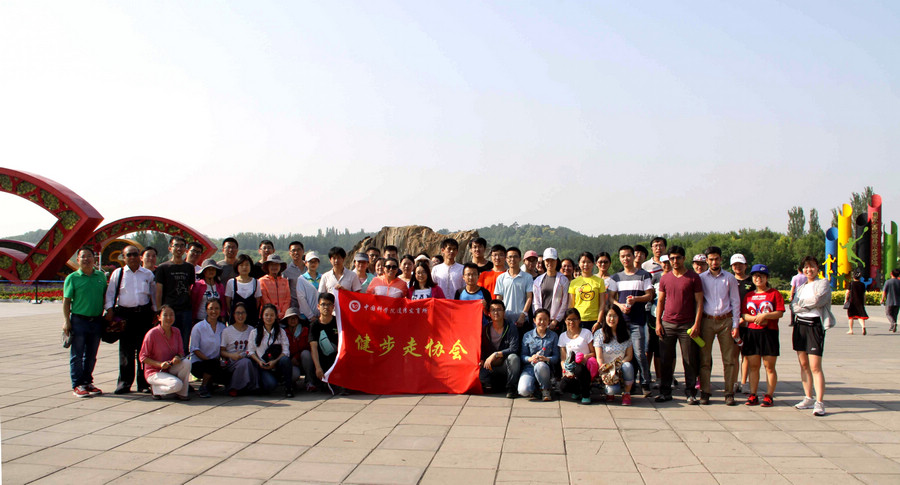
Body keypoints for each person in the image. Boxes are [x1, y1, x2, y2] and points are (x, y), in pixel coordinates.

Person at [655, 246, 703, 403]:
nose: (675, 261)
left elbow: (699, 302)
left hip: (687, 325)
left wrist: (696, 324)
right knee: (665, 360)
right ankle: (665, 392)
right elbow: (660, 301)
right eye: (672, 258)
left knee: (689, 360)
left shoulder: (693, 278)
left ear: (684, 258)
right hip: (667, 323)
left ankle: (690, 392)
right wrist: (658, 322)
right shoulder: (665, 278)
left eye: (678, 258)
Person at [105, 245, 156, 395]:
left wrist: (156, 312)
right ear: (123, 257)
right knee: (126, 351)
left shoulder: (147, 274)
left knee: (144, 350)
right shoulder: (118, 273)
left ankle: (143, 383)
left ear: (140, 256)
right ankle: (125, 383)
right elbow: (110, 294)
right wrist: (109, 310)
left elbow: (153, 294)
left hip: (143, 314)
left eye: (135, 254)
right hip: (125, 315)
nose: (132, 257)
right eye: (129, 255)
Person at [607, 245, 654, 396]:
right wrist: (620, 305)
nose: (625, 259)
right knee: (624, 354)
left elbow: (650, 295)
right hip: (621, 322)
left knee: (639, 353)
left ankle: (645, 382)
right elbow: (611, 298)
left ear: (634, 256)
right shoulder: (616, 277)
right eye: (622, 256)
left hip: (637, 321)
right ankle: (629, 382)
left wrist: (636, 300)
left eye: (628, 255)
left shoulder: (643, 275)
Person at [697, 246, 741, 406]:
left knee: (729, 359)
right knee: (704, 359)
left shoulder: (729, 278)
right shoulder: (701, 278)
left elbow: (735, 301)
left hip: (725, 321)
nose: (714, 262)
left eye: (716, 259)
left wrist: (735, 324)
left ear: (721, 259)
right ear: (707, 261)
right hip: (707, 321)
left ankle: (729, 393)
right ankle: (705, 391)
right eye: (711, 259)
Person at [63, 247, 107, 397]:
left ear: (94, 259)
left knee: (91, 355)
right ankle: (77, 384)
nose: (86, 259)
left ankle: (87, 381)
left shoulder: (100, 276)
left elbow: (104, 296)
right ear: (78, 260)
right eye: (83, 257)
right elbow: (66, 301)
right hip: (79, 320)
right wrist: (66, 321)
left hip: (96, 320)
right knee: (77, 354)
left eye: (89, 256)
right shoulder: (72, 278)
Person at [791, 256, 831, 417]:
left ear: (817, 268)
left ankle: (819, 402)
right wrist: (803, 305)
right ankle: (808, 397)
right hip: (800, 325)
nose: (809, 270)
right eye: (806, 267)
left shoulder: (823, 283)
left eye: (812, 266)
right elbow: (793, 306)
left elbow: (818, 300)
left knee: (815, 366)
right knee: (804, 365)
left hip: (814, 326)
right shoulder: (801, 287)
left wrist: (802, 304)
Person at [741, 264, 784, 407]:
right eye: (755, 276)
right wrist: (755, 319)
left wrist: (766, 316)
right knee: (753, 366)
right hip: (752, 333)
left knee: (769, 366)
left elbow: (780, 312)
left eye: (761, 276)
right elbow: (744, 315)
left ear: (767, 278)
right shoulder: (749, 295)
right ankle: (753, 394)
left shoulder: (774, 294)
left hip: (769, 333)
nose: (758, 278)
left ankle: (769, 395)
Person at [139, 305, 190, 401]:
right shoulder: (152, 334)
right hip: (155, 371)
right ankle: (156, 389)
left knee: (187, 363)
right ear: (159, 317)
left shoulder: (176, 331)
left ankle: (182, 393)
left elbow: (181, 352)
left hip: (170, 367)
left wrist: (177, 357)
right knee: (177, 384)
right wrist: (160, 364)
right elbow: (143, 357)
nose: (169, 318)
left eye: (171, 315)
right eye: (165, 315)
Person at [155, 236, 195, 353]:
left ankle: (183, 362)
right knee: (168, 340)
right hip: (169, 310)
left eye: (182, 246)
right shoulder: (163, 268)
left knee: (184, 341)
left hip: (185, 309)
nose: (179, 248)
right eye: (176, 245)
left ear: (185, 249)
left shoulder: (189, 267)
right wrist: (158, 310)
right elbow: (159, 291)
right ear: (170, 248)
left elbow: (190, 289)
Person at [248, 304, 293, 397]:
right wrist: (259, 362)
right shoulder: (254, 332)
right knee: (271, 384)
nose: (269, 317)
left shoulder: (281, 332)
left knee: (286, 360)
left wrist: (275, 361)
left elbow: (285, 351)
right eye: (266, 315)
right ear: (262, 316)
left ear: (276, 316)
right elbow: (250, 351)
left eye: (272, 315)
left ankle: (288, 388)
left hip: (277, 364)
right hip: (263, 365)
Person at [594, 306, 635, 405]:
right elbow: (599, 357)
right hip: (607, 369)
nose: (612, 319)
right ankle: (609, 391)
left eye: (615, 316)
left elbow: (629, 355)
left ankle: (626, 393)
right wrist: (606, 370)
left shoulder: (626, 333)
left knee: (628, 366)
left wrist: (618, 365)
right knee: (611, 390)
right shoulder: (599, 334)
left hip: (621, 366)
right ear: (605, 317)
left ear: (619, 317)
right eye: (609, 316)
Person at [480, 300, 521, 399]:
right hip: (490, 365)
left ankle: (512, 388)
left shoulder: (511, 327)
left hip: (505, 364)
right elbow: (481, 348)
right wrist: (482, 359)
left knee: (514, 358)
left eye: (499, 310)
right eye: (493, 310)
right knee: (481, 377)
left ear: (504, 312)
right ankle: (498, 385)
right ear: (489, 313)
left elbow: (514, 348)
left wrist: (496, 354)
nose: (496, 312)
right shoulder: (485, 329)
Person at [558, 308, 598, 404]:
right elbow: (563, 358)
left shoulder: (586, 333)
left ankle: (586, 394)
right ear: (565, 321)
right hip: (571, 368)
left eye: (574, 319)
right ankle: (577, 391)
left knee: (579, 369)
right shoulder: (562, 336)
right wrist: (565, 368)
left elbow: (594, 352)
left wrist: (585, 357)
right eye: (569, 319)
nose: (572, 322)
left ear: (579, 320)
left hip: (585, 367)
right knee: (562, 386)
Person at [518, 309, 559, 400]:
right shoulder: (527, 335)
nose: (542, 322)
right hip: (530, 367)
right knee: (523, 391)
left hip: (546, 368)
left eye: (545, 319)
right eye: (539, 319)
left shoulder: (554, 336)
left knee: (540, 365)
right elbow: (522, 356)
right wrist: (530, 358)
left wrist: (546, 359)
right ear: (534, 320)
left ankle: (545, 389)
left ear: (549, 321)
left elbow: (556, 357)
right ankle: (536, 389)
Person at [219, 302, 259, 396]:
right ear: (233, 314)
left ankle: (249, 387)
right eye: (238, 313)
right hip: (232, 361)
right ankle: (234, 387)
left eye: (243, 313)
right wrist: (232, 355)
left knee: (248, 362)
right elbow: (222, 351)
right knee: (245, 362)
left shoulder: (251, 330)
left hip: (247, 358)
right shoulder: (227, 331)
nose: (240, 316)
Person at [189, 299, 226, 398]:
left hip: (216, 363)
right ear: (206, 310)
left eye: (217, 308)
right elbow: (195, 349)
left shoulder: (223, 328)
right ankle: (204, 386)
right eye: (211, 308)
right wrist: (208, 360)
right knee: (212, 364)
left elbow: (224, 347)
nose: (214, 311)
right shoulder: (198, 327)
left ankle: (211, 383)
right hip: (199, 363)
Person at [309, 293, 344, 393]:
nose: (326, 307)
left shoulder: (338, 322)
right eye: (323, 304)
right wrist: (318, 368)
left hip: (336, 361)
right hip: (321, 361)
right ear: (318, 306)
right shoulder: (314, 325)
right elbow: (313, 348)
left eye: (329, 304)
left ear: (333, 307)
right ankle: (311, 382)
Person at [495, 247, 535, 330]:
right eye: (510, 257)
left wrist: (523, 315)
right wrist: (501, 314)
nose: (512, 259)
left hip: (522, 320)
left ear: (520, 259)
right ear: (506, 259)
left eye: (515, 256)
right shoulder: (501, 278)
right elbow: (499, 298)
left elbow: (529, 297)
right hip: (505, 319)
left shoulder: (528, 277)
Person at [731, 253, 754, 395]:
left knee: (746, 355)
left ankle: (744, 382)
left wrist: (746, 318)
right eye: (735, 265)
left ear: (746, 265)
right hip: (733, 324)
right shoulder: (729, 280)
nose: (738, 267)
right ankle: (734, 382)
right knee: (733, 355)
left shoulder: (752, 282)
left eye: (740, 264)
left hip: (748, 323)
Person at [532, 248, 569, 333]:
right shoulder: (538, 280)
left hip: (557, 323)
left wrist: (556, 320)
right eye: (547, 260)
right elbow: (536, 302)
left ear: (557, 261)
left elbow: (564, 302)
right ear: (544, 262)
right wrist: (540, 318)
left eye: (552, 260)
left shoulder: (563, 280)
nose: (550, 263)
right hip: (541, 322)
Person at [568, 252, 607, 331]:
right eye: (583, 262)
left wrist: (599, 322)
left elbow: (602, 303)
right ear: (579, 263)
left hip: (594, 320)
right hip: (578, 320)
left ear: (593, 264)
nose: (586, 265)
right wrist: (571, 320)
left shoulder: (600, 281)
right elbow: (571, 304)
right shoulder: (573, 282)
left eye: (589, 262)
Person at [224, 254, 261, 326]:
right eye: (241, 265)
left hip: (252, 319)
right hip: (235, 320)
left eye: (247, 265)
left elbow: (258, 302)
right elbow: (228, 303)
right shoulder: (231, 282)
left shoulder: (256, 282)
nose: (244, 267)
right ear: (237, 266)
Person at [281, 307, 312, 390]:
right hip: (291, 362)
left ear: (298, 319)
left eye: (294, 318)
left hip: (304, 361)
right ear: (287, 320)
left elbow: (308, 347)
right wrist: (291, 359)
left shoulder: (305, 331)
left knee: (306, 354)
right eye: (290, 318)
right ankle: (291, 383)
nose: (292, 320)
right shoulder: (283, 333)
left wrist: (296, 357)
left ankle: (309, 381)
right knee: (294, 375)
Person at [259, 254, 291, 319]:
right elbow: (264, 299)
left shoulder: (285, 281)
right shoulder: (262, 281)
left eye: (276, 264)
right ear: (267, 266)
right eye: (272, 265)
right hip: (268, 316)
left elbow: (287, 299)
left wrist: (282, 313)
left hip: (283, 316)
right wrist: (273, 313)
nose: (274, 267)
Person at [283, 240, 308, 307]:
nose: (296, 252)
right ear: (290, 253)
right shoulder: (286, 270)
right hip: (293, 304)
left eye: (299, 250)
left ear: (303, 251)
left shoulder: (309, 268)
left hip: (309, 303)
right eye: (293, 250)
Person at [846, 269, 869, 335]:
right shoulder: (862, 284)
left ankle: (851, 330)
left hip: (852, 302)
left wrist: (846, 300)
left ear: (853, 277)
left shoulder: (851, 283)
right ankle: (863, 326)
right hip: (860, 302)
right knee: (860, 316)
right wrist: (864, 302)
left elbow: (847, 292)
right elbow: (864, 294)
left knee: (851, 316)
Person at [882, 269, 900, 333]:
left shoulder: (888, 282)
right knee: (895, 315)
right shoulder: (899, 282)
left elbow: (884, 291)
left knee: (888, 313)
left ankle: (893, 323)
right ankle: (893, 326)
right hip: (898, 301)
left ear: (891, 273)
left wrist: (882, 299)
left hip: (889, 301)